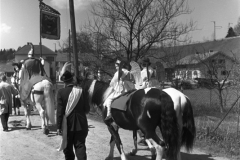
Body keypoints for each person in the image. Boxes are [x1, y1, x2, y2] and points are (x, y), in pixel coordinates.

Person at [57, 69, 89, 160]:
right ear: (72, 80)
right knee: (80, 146)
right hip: (81, 123)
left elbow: (60, 111)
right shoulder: (81, 91)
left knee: (68, 148)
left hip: (67, 125)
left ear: (64, 82)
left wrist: (59, 126)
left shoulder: (61, 92)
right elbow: (87, 109)